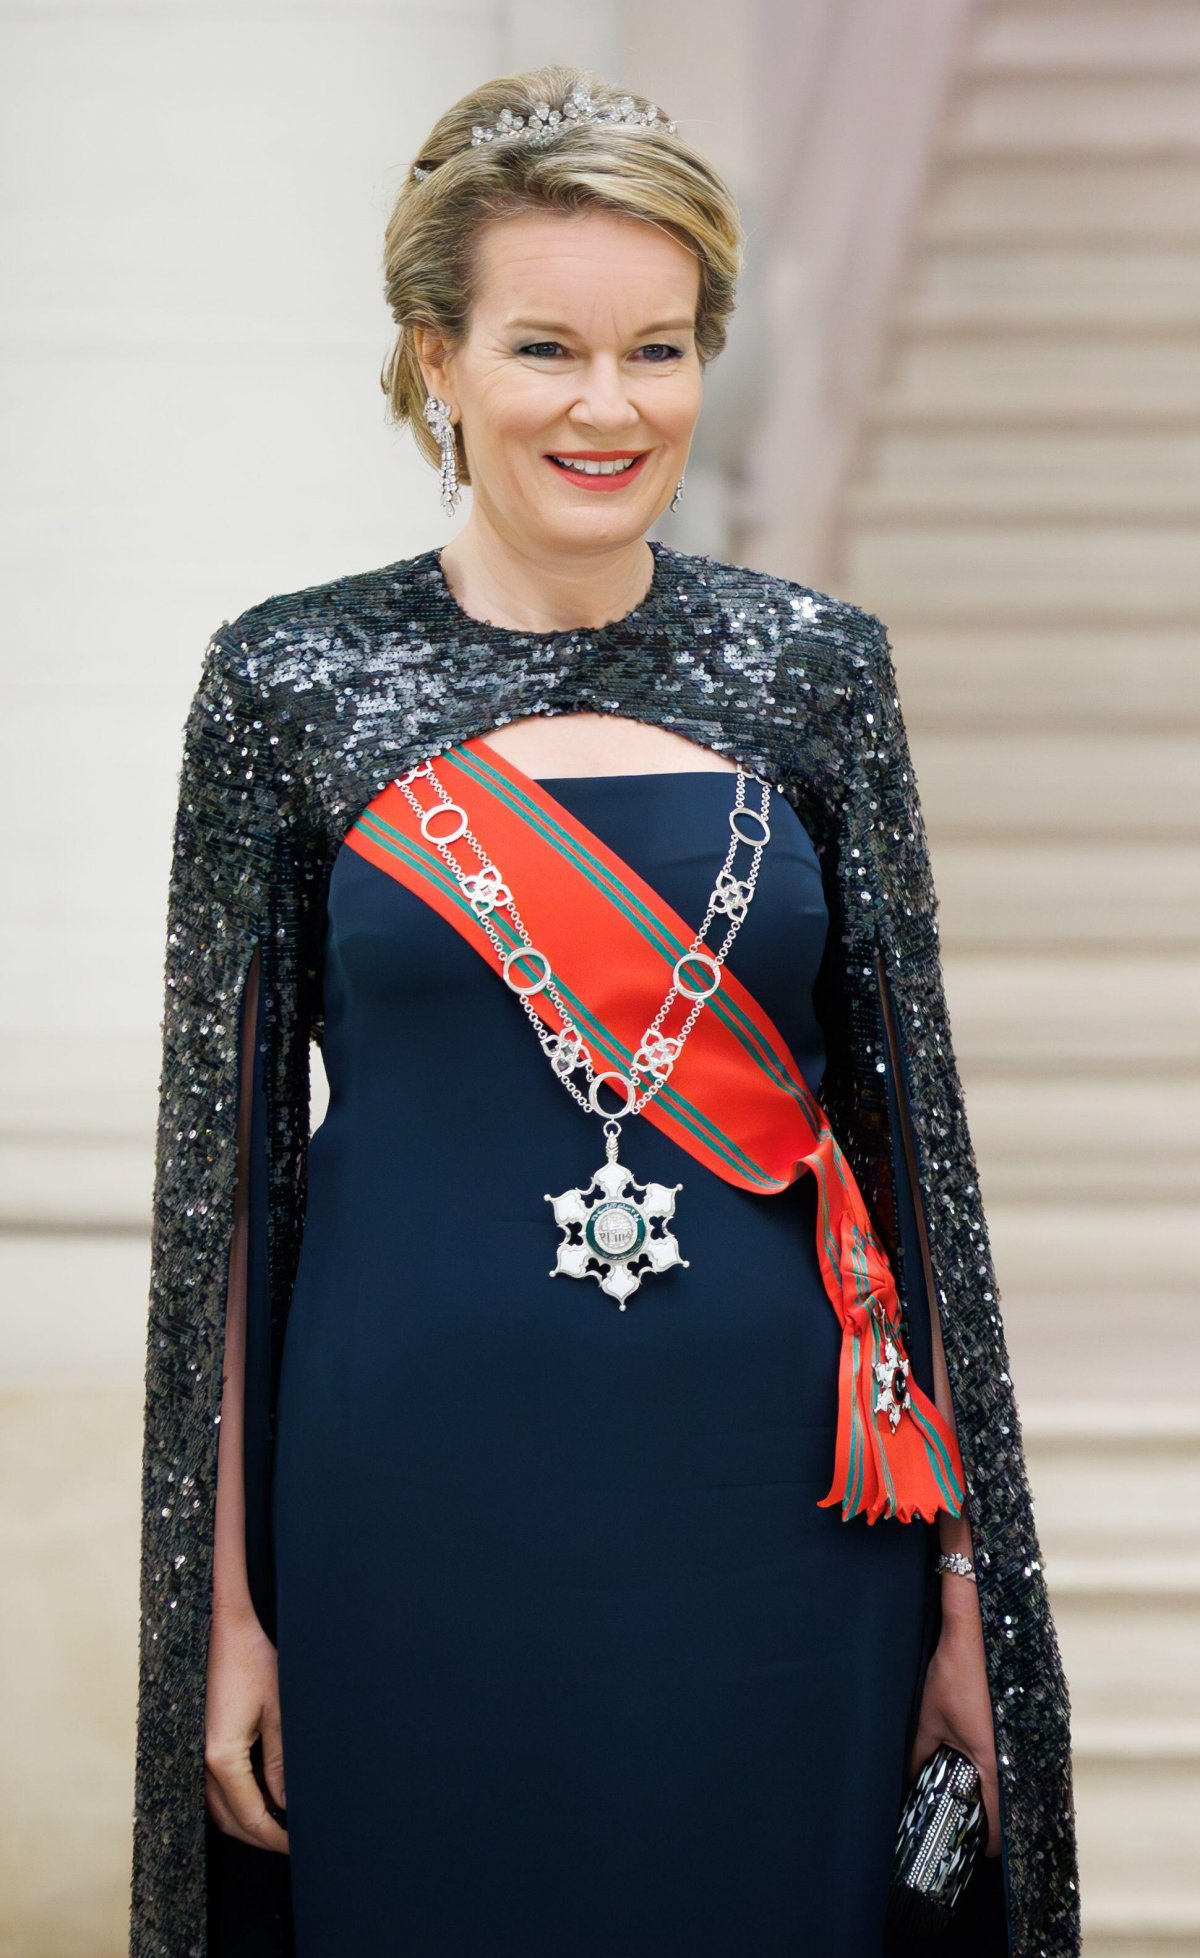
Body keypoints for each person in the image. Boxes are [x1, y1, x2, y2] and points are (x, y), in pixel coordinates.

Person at [130, 63, 1080, 1958]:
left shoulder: (814, 668)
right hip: (407, 1503)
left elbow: (916, 1160)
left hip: (787, 1507)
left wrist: (977, 1587)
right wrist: (219, 1609)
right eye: (545, 347)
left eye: (658, 349)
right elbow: (216, 1190)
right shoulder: (289, 678)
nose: (608, 405)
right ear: (437, 358)